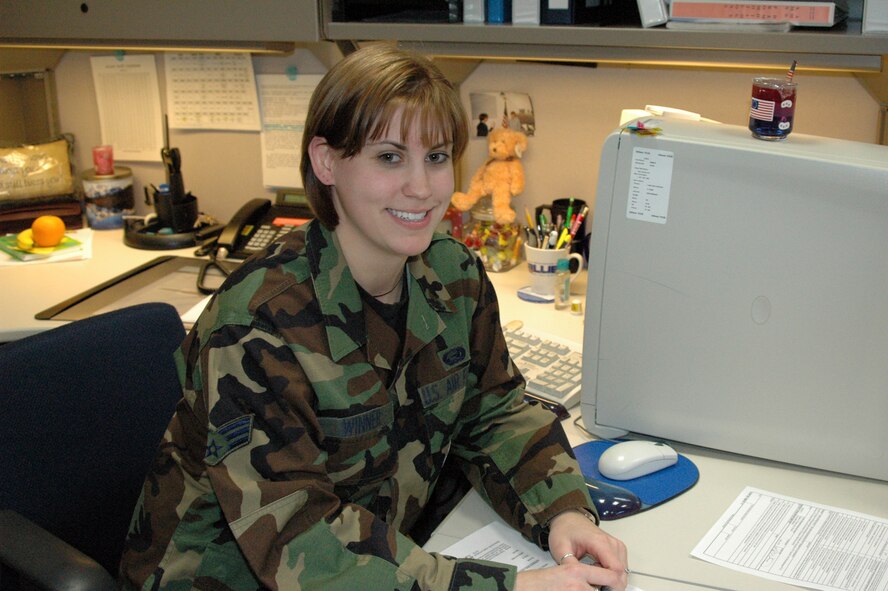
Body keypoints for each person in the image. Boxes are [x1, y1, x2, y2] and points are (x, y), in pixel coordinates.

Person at [118, 43, 628, 591]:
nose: (422, 187)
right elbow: (300, 537)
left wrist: (564, 513)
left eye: (436, 157)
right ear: (326, 161)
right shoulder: (258, 325)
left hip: (378, 562)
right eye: (389, 157)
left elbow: (493, 413)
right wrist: (507, 588)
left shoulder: (453, 275)